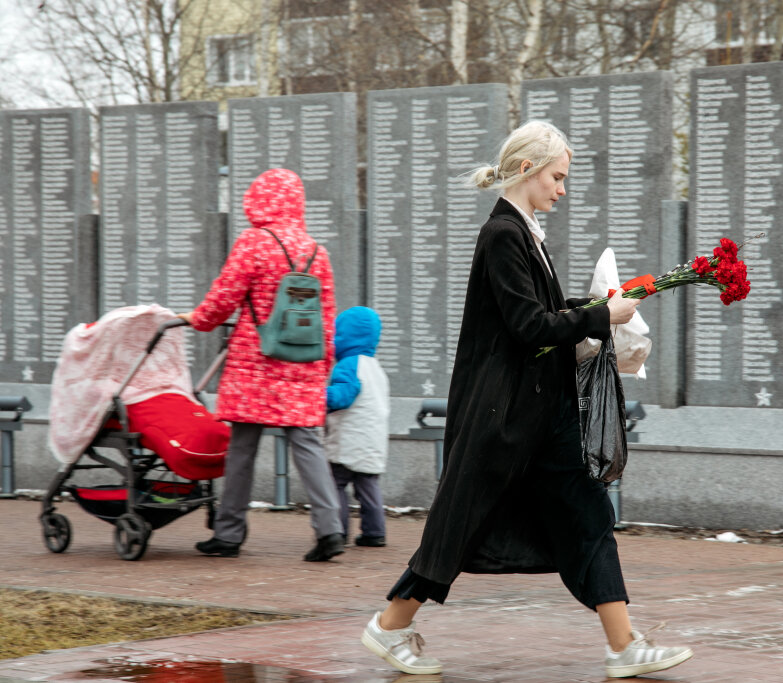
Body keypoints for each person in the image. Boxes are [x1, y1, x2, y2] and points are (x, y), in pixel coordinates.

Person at [359, 121, 693, 678]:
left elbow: (541, 309)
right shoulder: (503, 235)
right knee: (459, 528)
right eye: (556, 177)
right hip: (505, 417)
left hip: (535, 414)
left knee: (587, 517)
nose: (562, 189)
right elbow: (528, 324)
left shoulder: (522, 232)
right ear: (525, 170)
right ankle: (390, 625)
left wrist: (604, 303)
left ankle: (624, 645)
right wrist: (599, 316)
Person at [178, 168, 345, 563]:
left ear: (256, 199)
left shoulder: (254, 243)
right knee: (307, 445)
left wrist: (196, 319)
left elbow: (224, 298)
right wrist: (324, 368)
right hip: (302, 364)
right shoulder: (315, 251)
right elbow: (327, 316)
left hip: (256, 362)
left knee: (242, 448)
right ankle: (330, 529)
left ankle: (229, 532)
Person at [324, 305, 390, 548]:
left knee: (336, 485)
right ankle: (375, 533)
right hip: (372, 441)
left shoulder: (349, 364)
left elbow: (342, 396)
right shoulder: (375, 367)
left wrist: (318, 396)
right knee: (368, 487)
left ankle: (337, 531)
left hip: (349, 439)